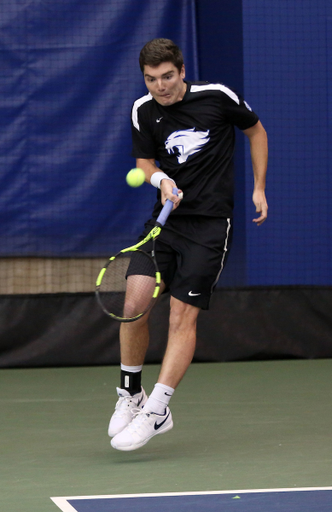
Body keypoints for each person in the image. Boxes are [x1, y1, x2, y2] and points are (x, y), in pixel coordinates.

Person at [109, 38, 268, 451]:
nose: (159, 86)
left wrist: (259, 188)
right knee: (134, 304)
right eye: (150, 79)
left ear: (181, 71)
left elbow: (255, 130)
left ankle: (158, 410)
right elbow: (144, 162)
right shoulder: (142, 110)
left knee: (182, 317)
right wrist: (160, 178)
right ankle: (131, 395)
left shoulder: (217, 97)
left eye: (166, 77)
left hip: (210, 226)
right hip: (165, 223)